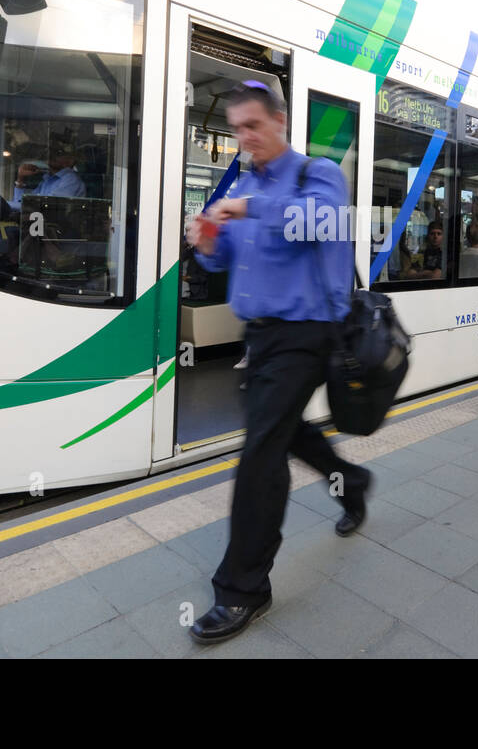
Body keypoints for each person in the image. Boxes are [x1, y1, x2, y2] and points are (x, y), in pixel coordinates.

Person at [185, 81, 371, 644]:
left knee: (261, 449)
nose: (245, 138)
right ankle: (352, 479)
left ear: (280, 122)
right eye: (237, 128)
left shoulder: (317, 174)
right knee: (283, 430)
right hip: (261, 338)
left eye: (253, 126)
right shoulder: (245, 184)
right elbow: (227, 260)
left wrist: (248, 206)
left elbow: (321, 222)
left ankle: (244, 589)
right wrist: (207, 239)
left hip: (309, 333)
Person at [11, 149, 86, 207]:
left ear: (70, 161)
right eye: (52, 153)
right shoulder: (48, 180)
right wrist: (20, 179)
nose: (52, 156)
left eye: (59, 154)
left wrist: (7, 206)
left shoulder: (71, 179)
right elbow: (21, 203)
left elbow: (46, 207)